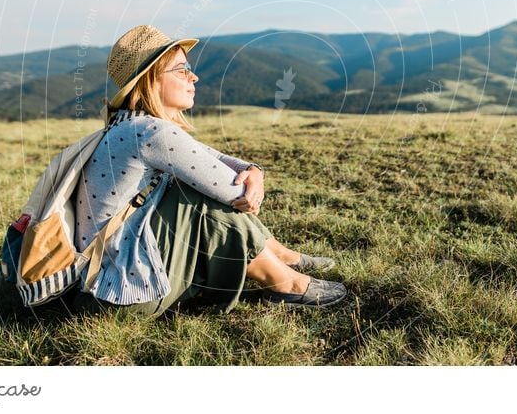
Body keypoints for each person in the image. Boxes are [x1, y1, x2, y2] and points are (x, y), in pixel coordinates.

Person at [72, 25, 347, 315]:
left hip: (102, 280)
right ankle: (284, 282)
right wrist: (249, 183)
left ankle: (280, 256)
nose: (194, 76)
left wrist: (254, 170)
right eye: (181, 70)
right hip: (121, 293)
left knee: (194, 185)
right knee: (199, 197)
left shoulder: (129, 123)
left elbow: (207, 156)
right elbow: (231, 189)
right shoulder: (150, 132)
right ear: (151, 80)